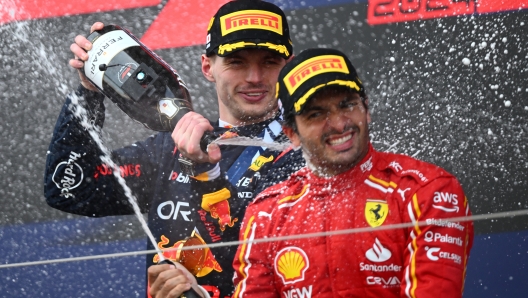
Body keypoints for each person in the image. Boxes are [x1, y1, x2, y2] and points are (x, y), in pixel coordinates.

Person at [44, 1, 304, 297]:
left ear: (289, 68)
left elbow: (264, 253)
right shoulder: (169, 147)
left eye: (269, 62)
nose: (255, 77)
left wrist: (206, 173)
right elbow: (67, 189)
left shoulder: (304, 155)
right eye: (237, 62)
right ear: (208, 67)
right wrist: (89, 95)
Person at [231, 48, 474, 297]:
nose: (338, 123)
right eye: (316, 114)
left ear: (366, 109)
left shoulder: (427, 191)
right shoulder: (265, 215)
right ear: (292, 134)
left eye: (346, 105)